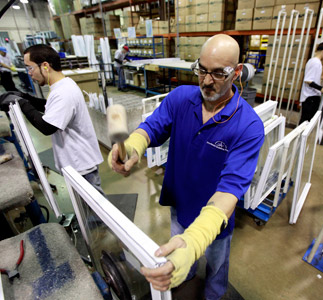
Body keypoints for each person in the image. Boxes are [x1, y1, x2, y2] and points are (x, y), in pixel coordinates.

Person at [109, 34, 264, 299]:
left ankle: (214, 295)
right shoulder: (181, 98)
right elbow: (152, 127)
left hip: (215, 217)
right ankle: (187, 277)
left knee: (216, 267)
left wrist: (195, 241)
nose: (206, 81)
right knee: (181, 256)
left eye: (218, 74)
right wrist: (132, 147)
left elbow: (230, 189)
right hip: (180, 202)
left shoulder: (248, 126)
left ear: (237, 72)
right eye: (202, 70)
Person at [0, 44, 104, 193]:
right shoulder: (62, 86)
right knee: (86, 210)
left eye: (31, 68)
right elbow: (49, 106)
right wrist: (25, 97)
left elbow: (47, 127)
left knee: (95, 210)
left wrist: (22, 104)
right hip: (76, 161)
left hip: (80, 163)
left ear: (45, 66)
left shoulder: (63, 92)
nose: (29, 73)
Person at [299, 42, 323, 124]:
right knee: (306, 121)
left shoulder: (312, 61)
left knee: (306, 120)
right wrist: (321, 89)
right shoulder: (315, 62)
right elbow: (308, 80)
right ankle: (300, 136)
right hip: (311, 97)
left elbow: (314, 77)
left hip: (311, 97)